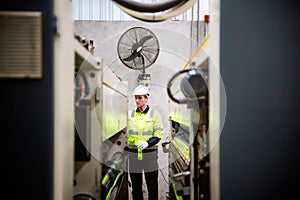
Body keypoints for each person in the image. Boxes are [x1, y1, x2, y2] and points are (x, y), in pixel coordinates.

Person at [126, 84, 164, 200]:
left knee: (152, 186)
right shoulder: (130, 114)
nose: (137, 100)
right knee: (136, 187)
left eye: (140, 98)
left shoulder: (155, 115)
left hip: (150, 156)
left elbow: (158, 135)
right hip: (134, 156)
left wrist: (148, 143)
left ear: (146, 98)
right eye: (136, 98)